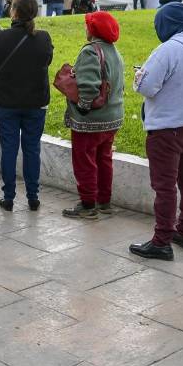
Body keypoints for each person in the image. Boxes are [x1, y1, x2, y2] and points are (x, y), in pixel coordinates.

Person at [128, 2, 183, 256]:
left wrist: (138, 76)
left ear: (166, 23)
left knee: (164, 186)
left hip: (167, 128)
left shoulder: (168, 50)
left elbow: (146, 87)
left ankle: (161, 241)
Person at [0, 0, 53, 211]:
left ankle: (8, 197)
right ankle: (33, 196)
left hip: (7, 102)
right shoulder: (43, 38)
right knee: (32, 149)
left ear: (13, 11)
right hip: (35, 102)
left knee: (9, 149)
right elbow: (47, 59)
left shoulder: (0, 37)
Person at [60, 12, 125, 220]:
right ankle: (104, 201)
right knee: (104, 158)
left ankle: (88, 205)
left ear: (93, 30)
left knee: (85, 159)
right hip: (112, 117)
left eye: (87, 25)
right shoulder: (114, 51)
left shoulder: (90, 52)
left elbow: (88, 87)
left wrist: (83, 107)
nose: (85, 29)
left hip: (92, 120)